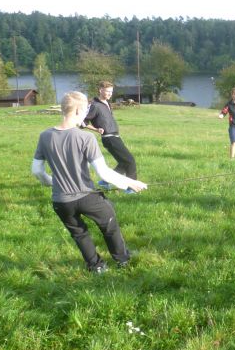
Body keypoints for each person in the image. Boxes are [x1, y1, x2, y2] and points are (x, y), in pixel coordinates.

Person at [32, 91, 148, 273]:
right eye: (86, 108)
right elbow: (104, 172)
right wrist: (130, 183)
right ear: (79, 110)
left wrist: (50, 182)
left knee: (79, 234)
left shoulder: (45, 136)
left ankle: (96, 267)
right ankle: (122, 259)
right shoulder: (86, 138)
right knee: (109, 226)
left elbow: (37, 170)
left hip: (61, 201)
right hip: (87, 197)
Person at [83, 81, 138, 192]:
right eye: (107, 91)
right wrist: (96, 129)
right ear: (100, 90)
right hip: (109, 138)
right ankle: (131, 188)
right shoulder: (95, 105)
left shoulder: (107, 103)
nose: (109, 94)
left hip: (115, 137)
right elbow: (82, 123)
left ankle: (105, 182)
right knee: (130, 161)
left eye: (111, 92)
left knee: (124, 162)